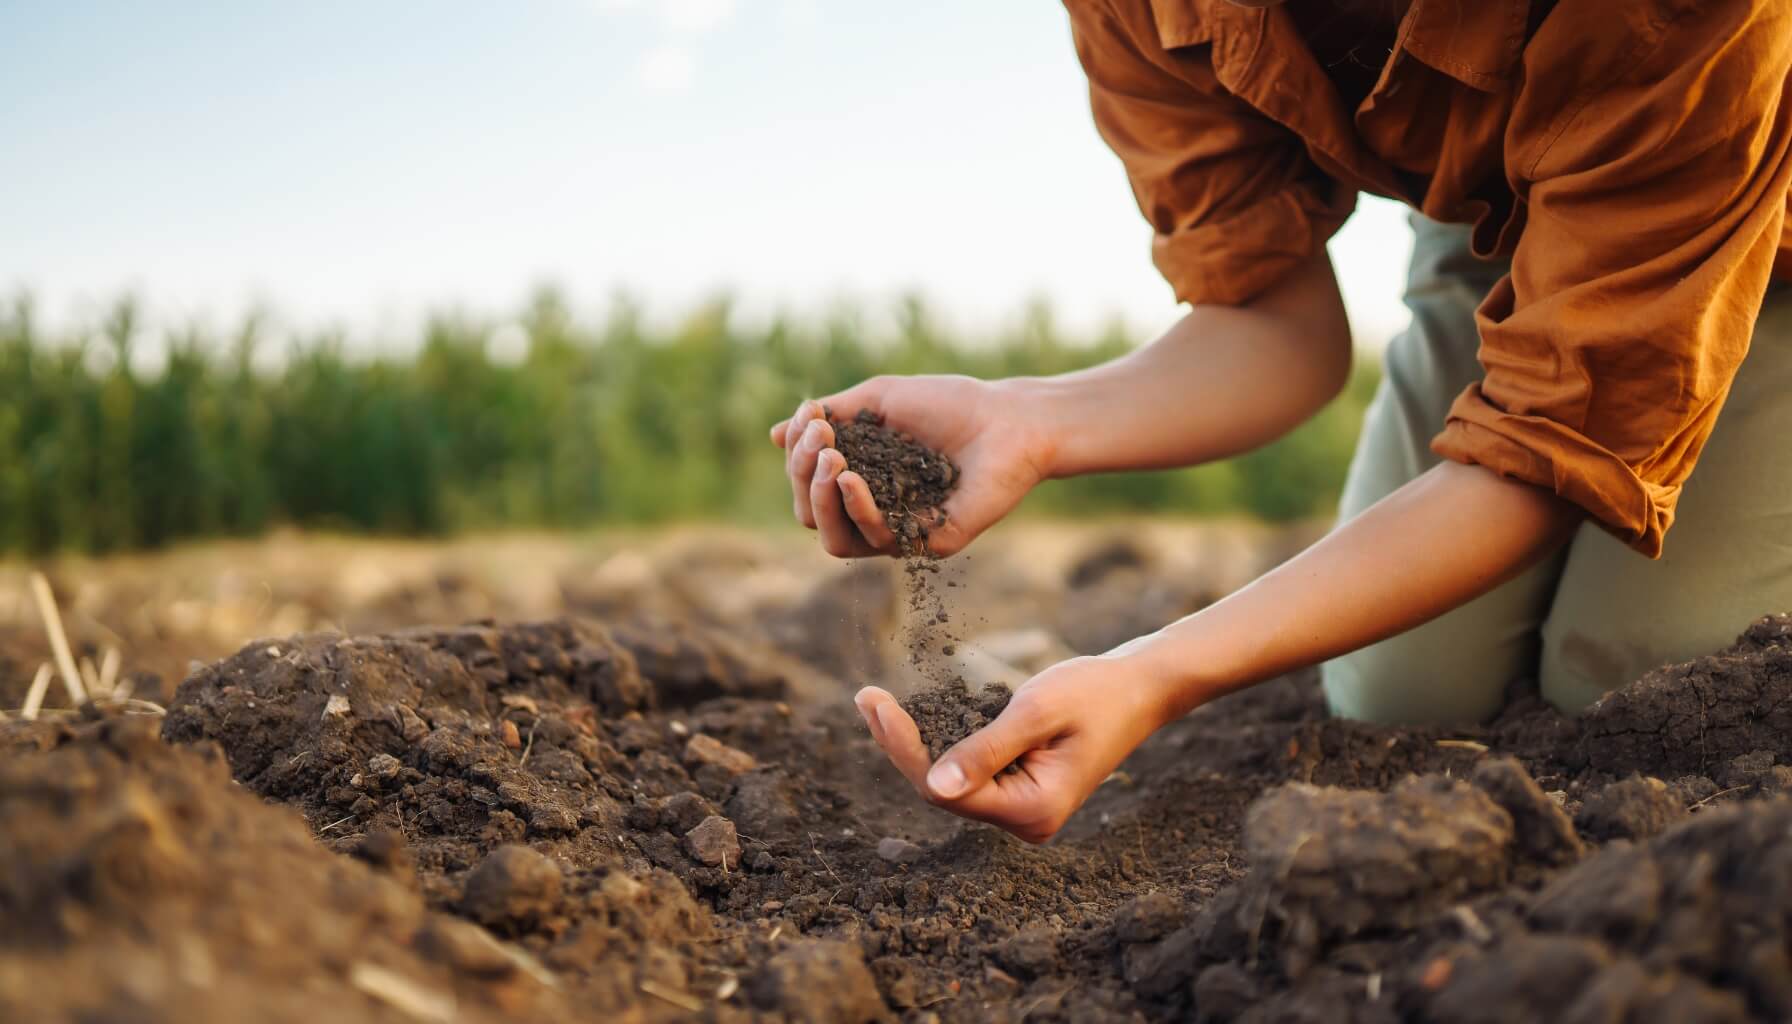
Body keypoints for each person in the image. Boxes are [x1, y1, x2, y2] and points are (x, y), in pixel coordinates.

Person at [771, 0, 1792, 844]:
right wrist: (1028, 419)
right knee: (1404, 696)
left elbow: (1549, 447)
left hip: (1750, 199)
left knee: (1644, 681)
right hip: (1512, 217)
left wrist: (1154, 673)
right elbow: (1272, 324)